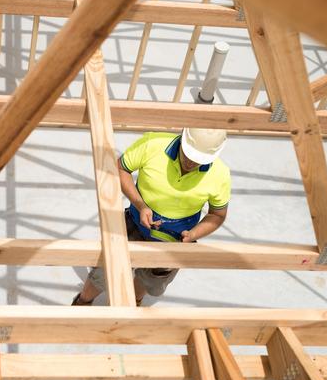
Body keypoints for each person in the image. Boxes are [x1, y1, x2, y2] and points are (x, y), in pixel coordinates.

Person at [72, 127, 231, 306]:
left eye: (197, 160)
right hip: (135, 224)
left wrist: (194, 234)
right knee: (105, 270)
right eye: (188, 155)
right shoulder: (153, 144)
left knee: (151, 279)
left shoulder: (220, 174)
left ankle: (134, 302)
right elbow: (121, 168)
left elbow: (217, 214)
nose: (191, 163)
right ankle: (83, 302)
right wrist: (141, 205)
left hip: (175, 241)